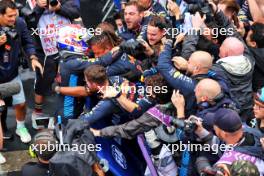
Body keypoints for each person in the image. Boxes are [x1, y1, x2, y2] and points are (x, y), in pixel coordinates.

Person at [31, 0, 80, 129]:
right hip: (45, 50)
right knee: (42, 81)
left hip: (67, 48)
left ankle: (60, 115)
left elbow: (75, 13)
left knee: (65, 80)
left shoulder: (65, 1)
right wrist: (39, 8)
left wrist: (59, 7)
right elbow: (28, 21)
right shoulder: (33, 3)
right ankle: (37, 113)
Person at [0, 0, 43, 143]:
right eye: (10, 16)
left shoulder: (19, 23)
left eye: (15, 15)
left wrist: (33, 57)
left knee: (21, 103)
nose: (13, 18)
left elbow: (28, 41)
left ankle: (20, 126)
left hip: (12, 73)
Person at [193, 108, 264, 175]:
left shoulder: (225, 166)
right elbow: (223, 145)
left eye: (215, 126)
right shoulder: (255, 134)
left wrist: (203, 166)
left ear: (223, 133)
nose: (214, 128)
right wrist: (201, 131)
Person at [245, 21, 264, 92]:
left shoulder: (252, 53)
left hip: (258, 94)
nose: (246, 37)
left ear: (253, 44)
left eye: (247, 36)